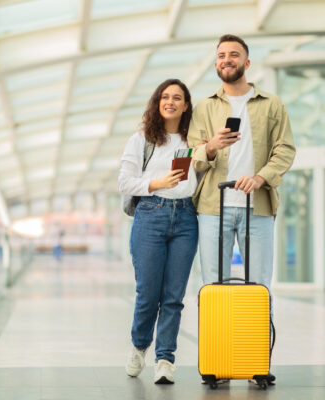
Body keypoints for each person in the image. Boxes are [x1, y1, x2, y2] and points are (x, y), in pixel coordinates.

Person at [188, 34, 296, 383]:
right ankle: (217, 363)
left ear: (247, 63)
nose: (226, 60)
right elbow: (192, 157)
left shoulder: (271, 104)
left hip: (258, 207)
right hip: (212, 207)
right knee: (214, 285)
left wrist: (262, 177)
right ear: (216, 63)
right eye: (221, 55)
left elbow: (285, 150)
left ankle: (256, 365)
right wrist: (212, 146)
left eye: (234, 55)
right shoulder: (204, 107)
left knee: (259, 285)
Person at [118, 79, 198, 384]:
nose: (171, 102)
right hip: (150, 214)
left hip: (186, 218)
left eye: (177, 98)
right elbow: (125, 182)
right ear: (157, 102)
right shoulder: (142, 139)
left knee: (174, 296)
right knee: (148, 294)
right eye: (165, 97)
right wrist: (157, 183)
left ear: (186, 105)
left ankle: (165, 359)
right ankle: (139, 346)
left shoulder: (194, 139)